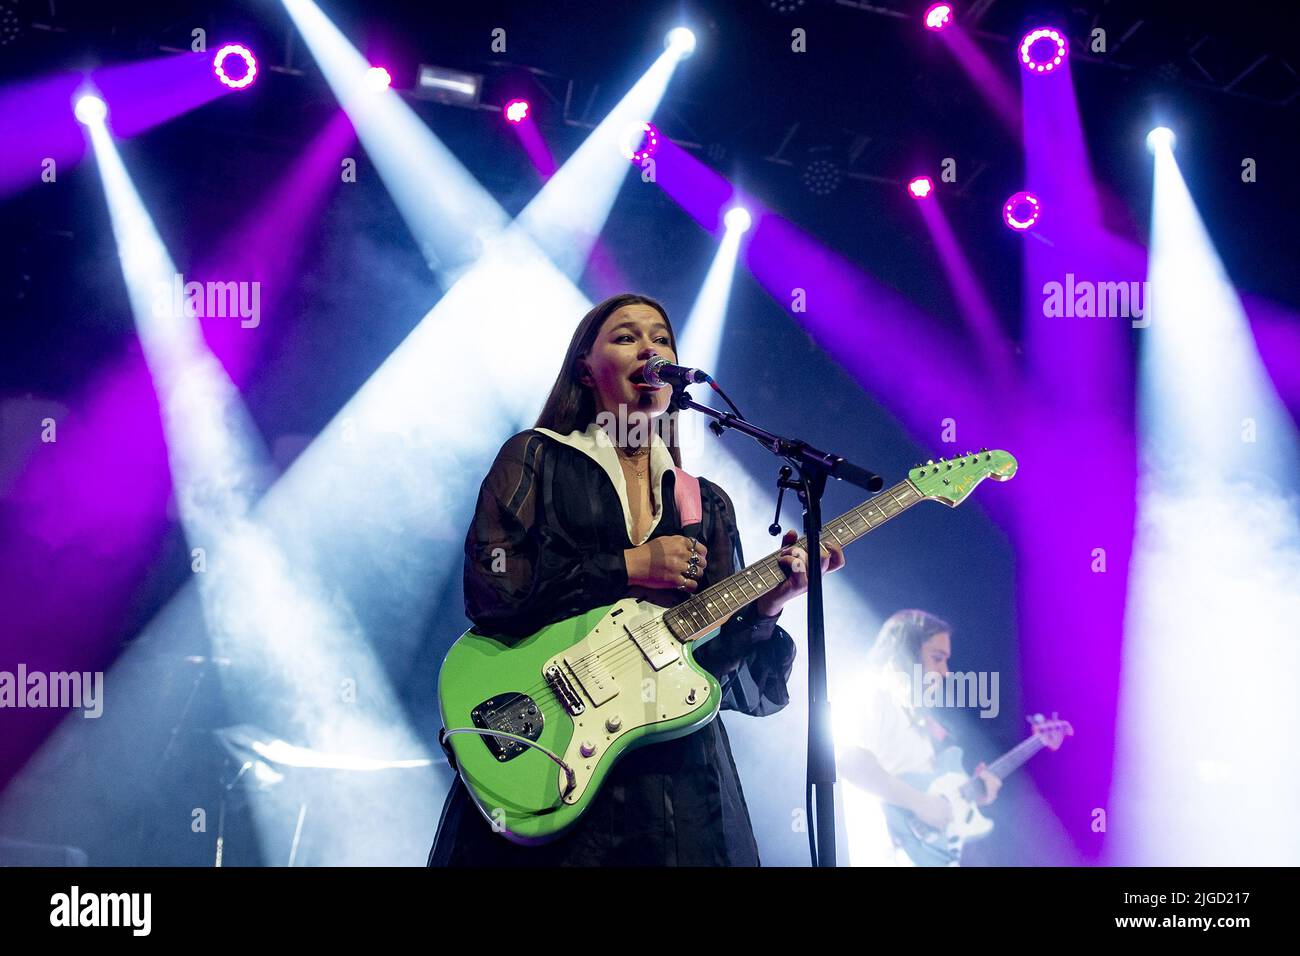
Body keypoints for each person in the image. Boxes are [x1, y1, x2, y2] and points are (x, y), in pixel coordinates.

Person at [428, 292, 845, 866]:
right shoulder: (534, 458)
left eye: (662, 339)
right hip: (550, 753)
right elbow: (492, 587)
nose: (650, 348)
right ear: (585, 368)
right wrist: (629, 566)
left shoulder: (706, 504)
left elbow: (733, 684)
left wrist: (769, 606)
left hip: (677, 790)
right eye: (626, 337)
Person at [838, 609, 1000, 866]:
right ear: (905, 652)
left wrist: (970, 794)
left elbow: (930, 788)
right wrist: (922, 804)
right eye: (937, 658)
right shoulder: (873, 692)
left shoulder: (915, 713)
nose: (945, 672)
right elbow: (851, 762)